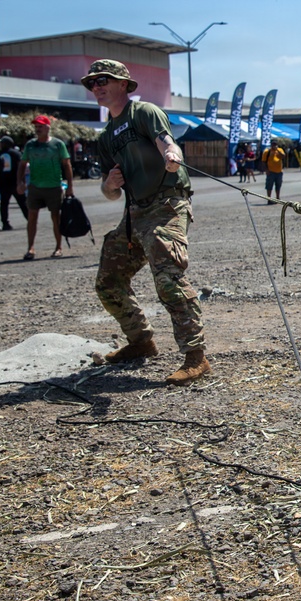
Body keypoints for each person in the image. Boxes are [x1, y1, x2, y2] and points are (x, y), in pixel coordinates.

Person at [84, 58, 210, 386]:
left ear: (123, 84)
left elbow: (166, 141)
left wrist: (171, 155)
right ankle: (140, 341)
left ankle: (196, 357)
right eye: (92, 83)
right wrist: (109, 185)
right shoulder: (105, 137)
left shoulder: (143, 112)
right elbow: (110, 192)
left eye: (103, 80)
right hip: (134, 213)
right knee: (109, 281)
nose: (96, 87)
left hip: (166, 205)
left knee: (168, 278)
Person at [17, 116, 73, 258]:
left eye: (41, 126)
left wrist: (70, 186)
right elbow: (22, 164)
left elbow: (67, 165)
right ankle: (30, 248)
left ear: (48, 127)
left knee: (55, 217)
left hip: (54, 186)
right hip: (35, 186)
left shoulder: (57, 144)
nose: (38, 129)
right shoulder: (30, 145)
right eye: (36, 127)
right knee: (32, 216)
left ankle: (58, 247)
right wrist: (20, 182)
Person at [0, 135, 28, 230]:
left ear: (6, 144)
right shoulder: (16, 153)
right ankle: (30, 219)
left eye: (2, 143)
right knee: (22, 202)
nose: (0, 144)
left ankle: (5, 223)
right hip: (15, 181)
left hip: (3, 182)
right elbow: (21, 167)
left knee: (4, 204)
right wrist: (22, 181)